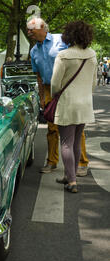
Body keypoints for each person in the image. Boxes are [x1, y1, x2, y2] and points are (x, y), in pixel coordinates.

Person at [27, 17, 89, 176]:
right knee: (52, 128)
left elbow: (78, 55)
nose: (28, 32)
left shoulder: (61, 39)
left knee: (75, 127)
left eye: (31, 29)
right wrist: (42, 97)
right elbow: (39, 77)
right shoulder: (33, 51)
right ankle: (52, 161)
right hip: (49, 89)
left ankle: (82, 163)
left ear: (42, 28)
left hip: (67, 87)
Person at [51, 21, 97, 193]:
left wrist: (56, 94)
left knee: (65, 143)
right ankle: (71, 175)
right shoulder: (92, 55)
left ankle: (71, 181)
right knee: (77, 142)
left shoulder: (63, 55)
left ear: (69, 35)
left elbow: (55, 84)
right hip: (85, 103)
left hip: (68, 103)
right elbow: (93, 83)